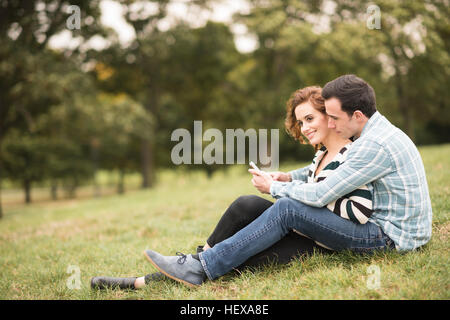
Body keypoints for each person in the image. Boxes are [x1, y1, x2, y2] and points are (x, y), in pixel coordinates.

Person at [137, 74, 432, 287]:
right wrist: (289, 176)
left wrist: (275, 187)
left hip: (388, 238)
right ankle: (195, 263)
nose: (331, 124)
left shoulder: (371, 145)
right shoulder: (377, 133)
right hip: (391, 230)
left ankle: (201, 266)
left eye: (333, 118)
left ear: (356, 114)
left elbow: (321, 194)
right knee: (251, 206)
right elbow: (327, 171)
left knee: (287, 208)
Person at [91, 85, 374, 290]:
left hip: (322, 243)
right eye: (300, 122)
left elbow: (359, 210)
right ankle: (194, 262)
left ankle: (144, 282)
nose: (304, 128)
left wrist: (305, 198)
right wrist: (285, 180)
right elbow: (312, 187)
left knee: (239, 256)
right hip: (301, 228)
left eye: (310, 119)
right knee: (245, 205)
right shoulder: (320, 156)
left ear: (329, 116)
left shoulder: (351, 155)